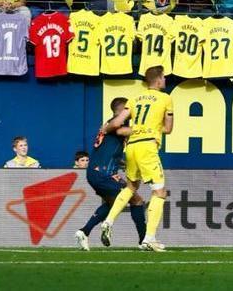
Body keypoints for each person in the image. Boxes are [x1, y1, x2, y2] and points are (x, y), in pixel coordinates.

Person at [98, 66, 172, 252]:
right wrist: (152, 129)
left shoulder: (135, 98)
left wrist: (104, 130)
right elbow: (168, 128)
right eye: (163, 77)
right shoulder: (165, 98)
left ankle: (108, 221)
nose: (165, 80)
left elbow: (116, 123)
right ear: (158, 80)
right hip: (148, 146)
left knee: (131, 187)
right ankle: (149, 238)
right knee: (160, 192)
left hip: (131, 147)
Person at [74, 97, 146, 250]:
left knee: (112, 203)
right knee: (137, 200)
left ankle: (84, 231)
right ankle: (144, 240)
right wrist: (147, 129)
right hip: (104, 174)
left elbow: (107, 152)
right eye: (128, 110)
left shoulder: (111, 129)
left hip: (95, 173)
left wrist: (123, 164)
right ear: (121, 111)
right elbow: (120, 128)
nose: (131, 113)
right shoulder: (113, 124)